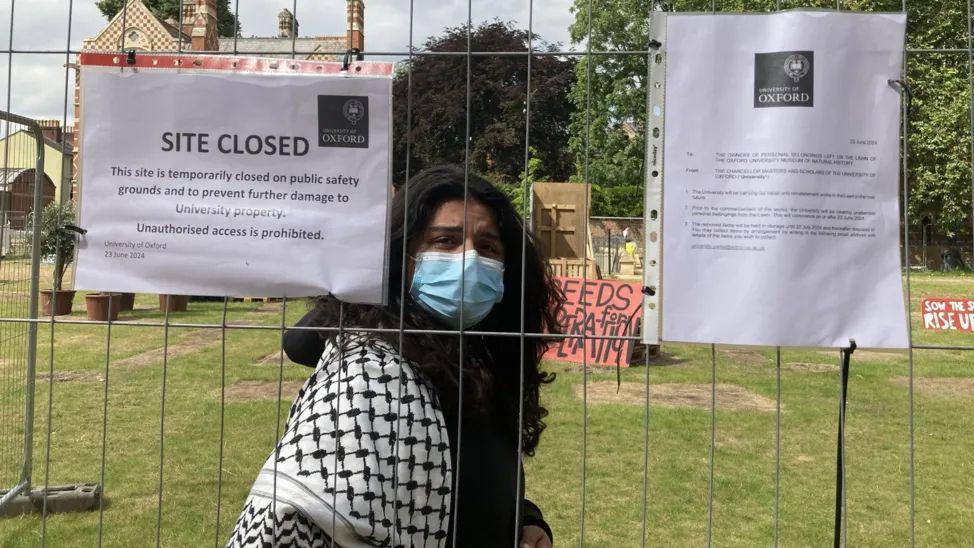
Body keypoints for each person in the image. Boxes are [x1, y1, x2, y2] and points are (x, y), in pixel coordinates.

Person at [228, 165, 561, 547]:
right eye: (445, 241)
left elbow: (470, 474)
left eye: (487, 247)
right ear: (400, 258)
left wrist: (525, 519)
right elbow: (299, 341)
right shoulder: (371, 377)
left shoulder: (485, 359)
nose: (469, 259)